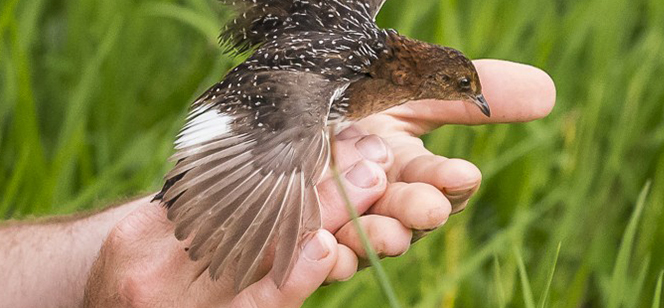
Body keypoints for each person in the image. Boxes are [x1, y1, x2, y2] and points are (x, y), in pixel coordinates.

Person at [0, 60, 554, 308]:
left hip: (273, 91)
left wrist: (121, 252)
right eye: (463, 87)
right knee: (286, 168)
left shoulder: (367, 59)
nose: (474, 99)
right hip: (264, 104)